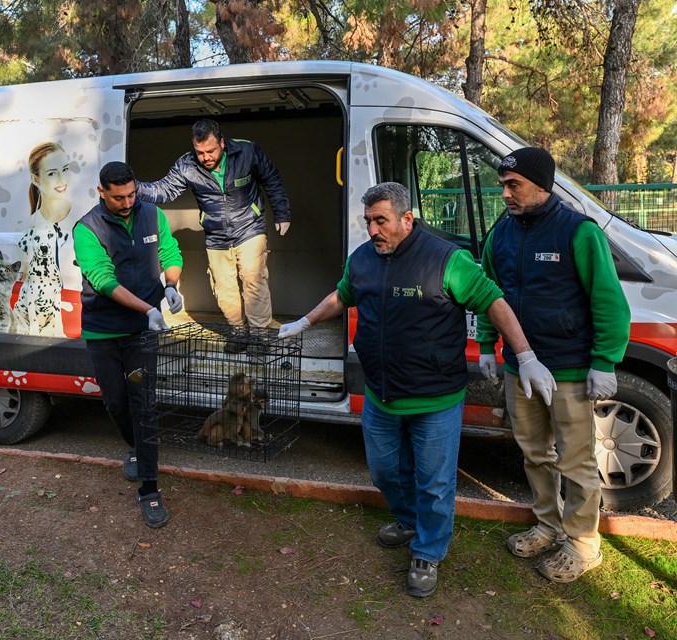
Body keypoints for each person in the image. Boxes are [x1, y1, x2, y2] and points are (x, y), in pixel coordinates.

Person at [278, 182, 555, 597]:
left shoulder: (447, 259)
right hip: (381, 396)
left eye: (381, 221)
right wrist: (305, 321)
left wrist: (526, 355)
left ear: (407, 219)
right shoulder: (363, 259)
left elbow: (494, 302)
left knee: (435, 481)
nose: (373, 230)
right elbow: (342, 295)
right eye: (368, 221)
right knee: (385, 471)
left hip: (436, 399)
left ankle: (428, 550)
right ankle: (409, 520)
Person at [476, 147, 630, 583]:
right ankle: (548, 523)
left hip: (570, 369)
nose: (505, 193)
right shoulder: (500, 234)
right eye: (503, 185)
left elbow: (609, 301)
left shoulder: (578, 232)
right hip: (518, 369)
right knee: (533, 453)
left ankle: (583, 543)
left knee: (576, 460)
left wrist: (603, 361)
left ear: (542, 185)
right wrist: (488, 344)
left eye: (514, 185)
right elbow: (488, 293)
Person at [73, 161, 184, 528]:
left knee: (143, 404)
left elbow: (169, 251)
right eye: (118, 197)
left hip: (142, 332)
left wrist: (171, 285)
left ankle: (149, 489)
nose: (127, 202)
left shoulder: (152, 214)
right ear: (101, 192)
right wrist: (148, 309)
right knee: (116, 402)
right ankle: (135, 447)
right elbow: (103, 280)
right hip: (104, 330)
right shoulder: (87, 228)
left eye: (132, 194)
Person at [136, 119, 290, 338]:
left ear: (222, 142)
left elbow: (271, 179)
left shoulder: (247, 151)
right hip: (216, 235)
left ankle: (259, 335)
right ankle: (239, 332)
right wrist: (134, 187)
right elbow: (165, 190)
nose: (205, 157)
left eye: (210, 150)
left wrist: (282, 213)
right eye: (200, 152)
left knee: (253, 279)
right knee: (224, 290)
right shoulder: (187, 165)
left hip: (250, 226)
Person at [14, 142, 73, 336]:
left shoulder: (82, 214)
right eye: (51, 173)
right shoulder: (30, 226)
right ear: (35, 180)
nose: (62, 179)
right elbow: (25, 275)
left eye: (65, 169)